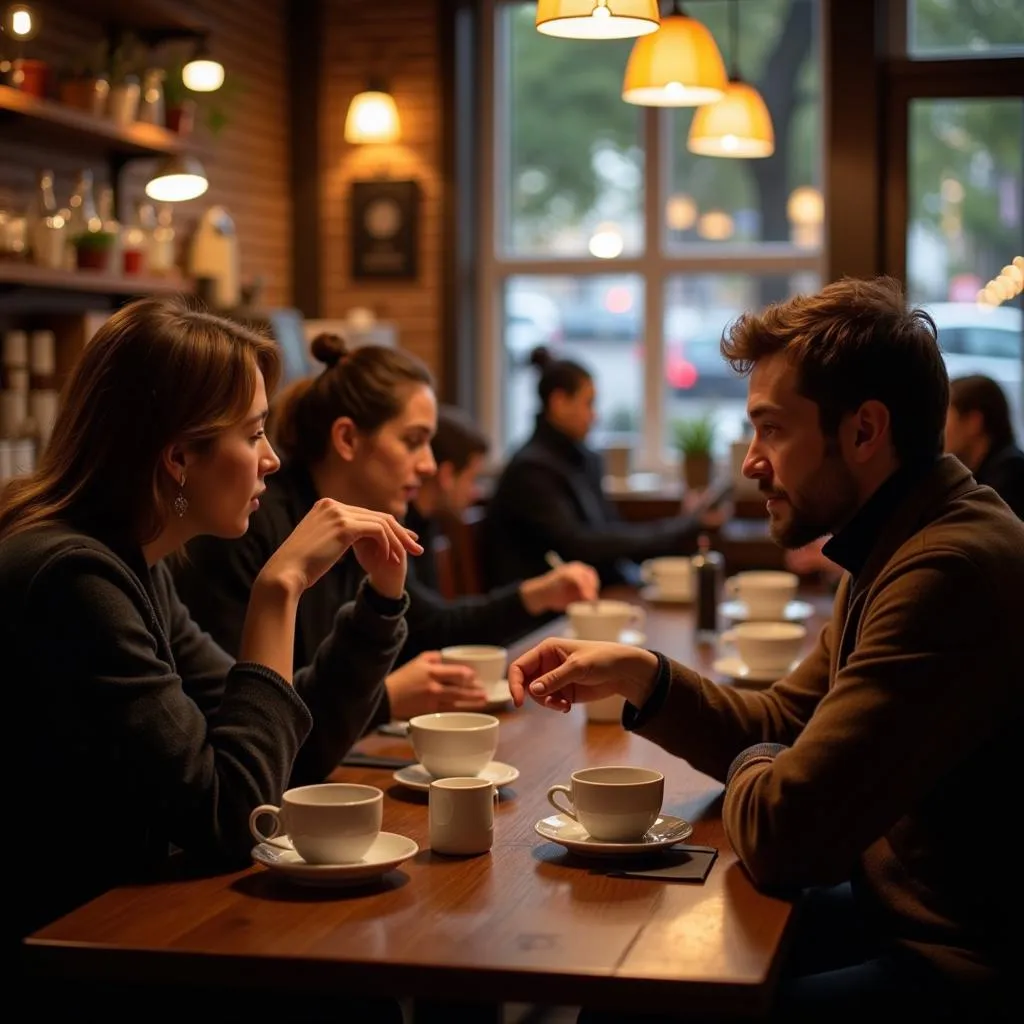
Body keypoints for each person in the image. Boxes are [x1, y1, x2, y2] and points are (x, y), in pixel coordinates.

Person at [508, 278, 1021, 1021]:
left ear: (865, 431)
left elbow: (789, 833)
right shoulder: (902, 539)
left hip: (962, 965)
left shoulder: (948, 569)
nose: (751, 461)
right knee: (637, 964)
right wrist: (644, 677)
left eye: (771, 428)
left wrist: (768, 760)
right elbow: (787, 719)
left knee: (639, 999)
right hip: (904, 916)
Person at [1, 297, 419, 948]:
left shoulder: (131, 565)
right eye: (253, 434)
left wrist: (378, 607)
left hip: (111, 925)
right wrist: (277, 591)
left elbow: (286, 753)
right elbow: (234, 817)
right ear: (178, 459)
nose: (272, 459)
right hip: (65, 955)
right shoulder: (73, 582)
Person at [174, 336, 598, 723]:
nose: (429, 464)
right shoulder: (246, 525)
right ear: (347, 439)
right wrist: (387, 696)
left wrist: (536, 594)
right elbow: (245, 714)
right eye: (413, 441)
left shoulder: (367, 521)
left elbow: (428, 624)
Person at [484, 346, 725, 589]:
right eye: (588, 404)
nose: (594, 416)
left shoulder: (579, 459)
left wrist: (684, 523)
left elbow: (611, 533)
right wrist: (683, 526)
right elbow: (581, 546)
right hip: (547, 614)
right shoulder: (531, 471)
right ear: (559, 402)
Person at [404, 403, 490, 592]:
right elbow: (426, 619)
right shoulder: (402, 532)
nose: (475, 492)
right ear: (446, 475)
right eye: (471, 478)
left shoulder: (429, 523)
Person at [945, 374, 1024, 519]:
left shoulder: (1010, 474)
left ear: (974, 422)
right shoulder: (985, 471)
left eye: (946, 417)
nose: (940, 429)